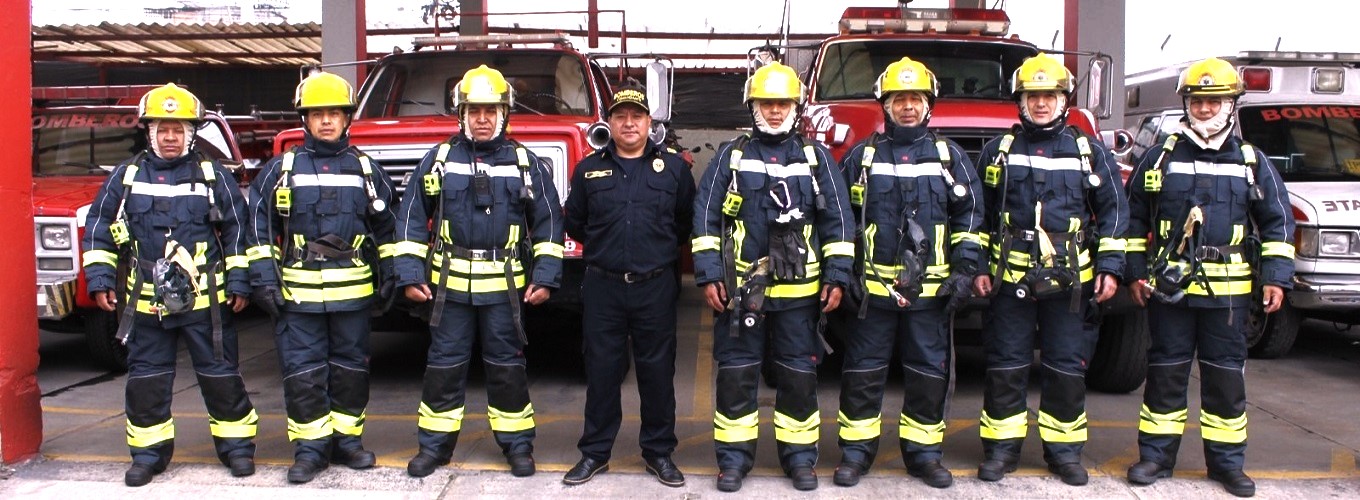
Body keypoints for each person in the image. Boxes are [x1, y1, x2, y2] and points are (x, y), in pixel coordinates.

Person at [1122, 57, 1294, 498]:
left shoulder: (1252, 161)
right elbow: (1132, 215)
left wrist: (1276, 277)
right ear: (1187, 103)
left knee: (1224, 383)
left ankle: (1227, 466)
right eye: (1197, 101)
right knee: (1165, 375)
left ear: (1232, 104)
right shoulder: (1161, 154)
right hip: (1170, 292)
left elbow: (1277, 224)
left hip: (1229, 298)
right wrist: (1135, 274)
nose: (1204, 109)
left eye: (1214, 101)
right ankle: (1155, 458)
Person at [82, 83, 258, 487]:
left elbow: (237, 231)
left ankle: (237, 450)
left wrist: (241, 281)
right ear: (149, 131)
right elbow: (98, 230)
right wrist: (100, 279)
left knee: (220, 376)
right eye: (163, 128)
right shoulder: (124, 177)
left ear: (192, 132)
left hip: (205, 304)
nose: (170, 136)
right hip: (146, 307)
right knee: (147, 381)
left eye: (178, 129)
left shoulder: (214, 176)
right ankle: (148, 455)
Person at [393, 64, 564, 479]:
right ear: (461, 113)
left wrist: (545, 276)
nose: (482, 119)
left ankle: (518, 447)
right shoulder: (438, 161)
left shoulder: (525, 162)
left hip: (505, 291)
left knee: (507, 369)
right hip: (448, 290)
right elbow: (412, 217)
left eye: (490, 110)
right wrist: (409, 273)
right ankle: (433, 448)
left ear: (504, 113)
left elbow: (549, 222)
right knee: (444, 368)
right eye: (474, 110)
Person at [692, 62, 854, 492]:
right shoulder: (732, 155)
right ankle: (733, 461)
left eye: (783, 103)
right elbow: (705, 218)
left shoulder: (816, 158)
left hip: (801, 298)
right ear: (753, 106)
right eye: (768, 103)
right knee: (736, 377)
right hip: (744, 295)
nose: (776, 111)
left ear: (795, 107)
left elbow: (839, 220)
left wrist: (837, 276)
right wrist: (709, 275)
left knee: (799, 379)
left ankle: (800, 460)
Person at [971, 53, 1128, 486]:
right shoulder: (998, 151)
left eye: (1050, 95)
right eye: (1033, 96)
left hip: (1070, 285)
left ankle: (1064, 453)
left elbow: (1114, 211)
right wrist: (980, 266)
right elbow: (978, 216)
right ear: (1020, 100)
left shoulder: (1088, 151)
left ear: (1064, 99)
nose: (1041, 104)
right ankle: (1001, 451)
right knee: (1006, 366)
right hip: (1011, 282)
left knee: (1065, 368)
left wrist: (1111, 268)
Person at [832, 57, 984, 489]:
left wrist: (964, 272)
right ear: (886, 105)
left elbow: (971, 216)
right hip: (873, 295)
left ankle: (923, 456)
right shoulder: (862, 157)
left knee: (928, 375)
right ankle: (856, 454)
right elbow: (842, 219)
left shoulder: (948, 156)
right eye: (899, 99)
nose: (907, 107)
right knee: (862, 374)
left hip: (931, 295)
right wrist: (847, 275)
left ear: (928, 105)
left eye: (915, 98)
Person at [246, 71, 397, 483]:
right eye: (317, 114)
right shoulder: (281, 169)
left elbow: (387, 227)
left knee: (351, 371)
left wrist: (392, 274)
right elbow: (257, 227)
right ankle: (310, 450)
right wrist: (263, 279)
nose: (326, 121)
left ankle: (347, 443)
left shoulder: (366, 169)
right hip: (299, 296)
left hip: (353, 296)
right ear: (305, 119)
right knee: (303, 372)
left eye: (334, 113)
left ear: (347, 118)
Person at [560, 86, 695, 487]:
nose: (629, 123)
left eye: (636, 116)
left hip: (655, 286)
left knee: (657, 374)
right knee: (602, 373)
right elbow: (576, 222)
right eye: (621, 116)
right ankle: (594, 453)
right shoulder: (588, 170)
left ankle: (659, 453)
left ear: (649, 124)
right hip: (603, 286)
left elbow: (684, 222)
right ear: (611, 123)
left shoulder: (673, 169)